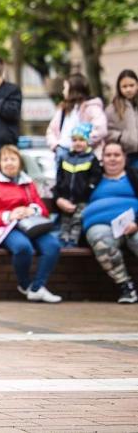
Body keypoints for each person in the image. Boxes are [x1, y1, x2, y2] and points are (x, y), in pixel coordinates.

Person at [0, 145, 61, 303]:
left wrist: (32, 210)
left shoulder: (27, 183)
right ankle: (25, 284)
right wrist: (9, 215)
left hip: (30, 226)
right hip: (6, 228)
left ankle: (37, 288)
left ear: (20, 163)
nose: (9, 163)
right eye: (5, 159)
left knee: (52, 246)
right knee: (23, 247)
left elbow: (42, 209)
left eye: (13, 159)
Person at [83, 141, 138, 303]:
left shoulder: (134, 177)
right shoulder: (93, 178)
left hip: (133, 224)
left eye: (117, 155)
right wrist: (59, 198)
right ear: (102, 158)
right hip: (100, 225)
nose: (112, 159)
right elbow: (71, 193)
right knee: (101, 240)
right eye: (108, 155)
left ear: (124, 158)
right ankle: (126, 287)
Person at [53, 123, 101, 247]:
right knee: (65, 221)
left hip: (83, 199)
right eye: (74, 140)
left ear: (87, 141)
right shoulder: (65, 157)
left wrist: (88, 188)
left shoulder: (91, 158)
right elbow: (59, 177)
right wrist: (60, 193)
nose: (78, 143)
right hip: (67, 198)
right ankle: (63, 241)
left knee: (77, 221)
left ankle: (73, 242)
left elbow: (96, 177)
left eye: (81, 140)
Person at [46, 73, 107, 162]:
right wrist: (56, 146)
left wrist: (82, 142)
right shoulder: (63, 109)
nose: (63, 91)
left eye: (65, 88)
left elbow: (100, 129)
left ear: (73, 89)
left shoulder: (91, 108)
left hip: (85, 157)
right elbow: (51, 130)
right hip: (63, 153)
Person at [105, 69, 138, 168]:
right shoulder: (113, 108)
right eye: (124, 86)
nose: (128, 89)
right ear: (119, 88)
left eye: (131, 85)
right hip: (126, 155)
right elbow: (107, 131)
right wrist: (121, 137)